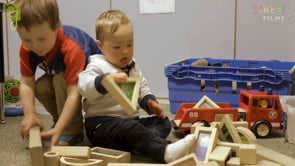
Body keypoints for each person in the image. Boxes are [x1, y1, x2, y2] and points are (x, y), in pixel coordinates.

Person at [78, 10, 195, 163]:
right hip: (101, 126)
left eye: (129, 44)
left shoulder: (132, 66)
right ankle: (164, 151)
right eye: (117, 47)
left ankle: (138, 142)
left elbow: (142, 88)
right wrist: (105, 80)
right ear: (101, 46)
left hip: (130, 122)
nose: (125, 51)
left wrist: (149, 102)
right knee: (130, 129)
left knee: (163, 123)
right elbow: (83, 85)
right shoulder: (97, 65)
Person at [15, 0, 100, 147]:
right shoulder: (27, 49)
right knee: (40, 86)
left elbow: (73, 93)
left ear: (57, 26)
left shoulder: (72, 48)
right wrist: (30, 113)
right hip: (64, 74)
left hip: (96, 80)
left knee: (61, 79)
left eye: (41, 39)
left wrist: (61, 129)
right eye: (26, 39)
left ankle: (72, 129)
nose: (35, 46)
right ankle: (60, 120)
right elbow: (27, 83)